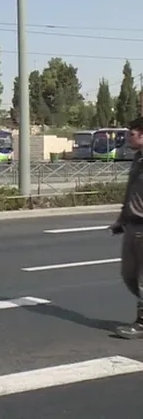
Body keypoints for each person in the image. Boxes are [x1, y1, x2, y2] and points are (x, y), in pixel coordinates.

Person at [110, 118, 143, 339]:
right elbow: (132, 192)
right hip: (131, 225)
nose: (127, 137)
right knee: (128, 275)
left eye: (131, 134)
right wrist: (121, 220)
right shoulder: (138, 159)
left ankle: (141, 323)